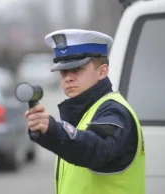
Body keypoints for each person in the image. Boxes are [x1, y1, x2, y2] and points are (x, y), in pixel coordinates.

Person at [25, 29, 145, 194]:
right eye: (64, 71)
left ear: (102, 71)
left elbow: (98, 148)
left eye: (77, 69)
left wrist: (53, 130)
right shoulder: (82, 111)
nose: (68, 77)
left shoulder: (114, 110)